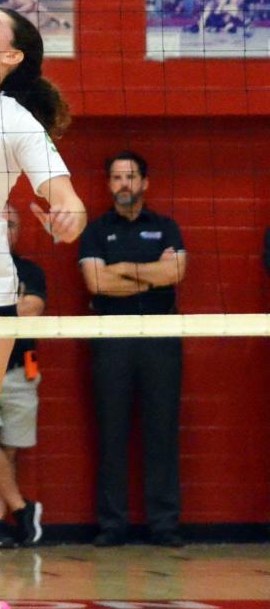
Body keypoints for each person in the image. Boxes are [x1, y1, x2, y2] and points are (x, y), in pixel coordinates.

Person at [78, 151, 187, 547]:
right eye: (116, 177)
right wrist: (150, 276)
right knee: (112, 432)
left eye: (130, 176)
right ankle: (112, 525)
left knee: (162, 432)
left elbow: (175, 272)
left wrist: (121, 268)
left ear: (145, 182)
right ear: (109, 184)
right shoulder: (94, 231)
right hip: (112, 337)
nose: (123, 183)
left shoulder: (165, 227)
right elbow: (96, 283)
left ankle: (164, 524)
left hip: (160, 335)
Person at [0, 207, 46, 549]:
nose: (5, 230)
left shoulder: (30, 270)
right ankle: (23, 509)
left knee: (8, 450)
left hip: (21, 369)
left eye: (11, 223)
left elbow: (32, 309)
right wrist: (10, 307)